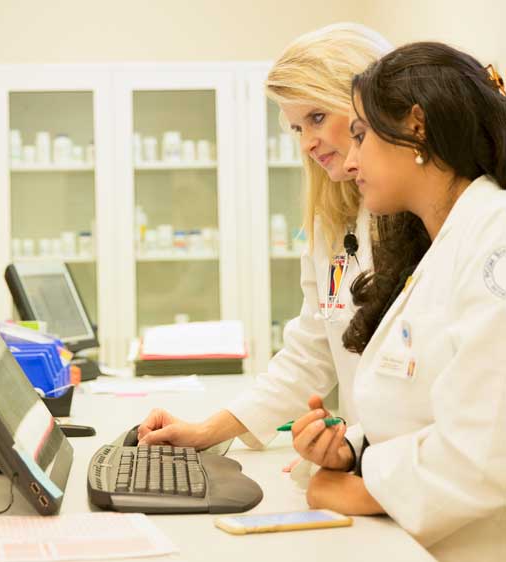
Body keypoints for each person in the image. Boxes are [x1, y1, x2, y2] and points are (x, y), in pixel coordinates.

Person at [291, 41, 506, 562]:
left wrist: (359, 489)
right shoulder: (443, 242)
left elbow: (489, 446)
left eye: (361, 135)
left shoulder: (494, 239)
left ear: (417, 127)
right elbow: (430, 403)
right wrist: (353, 449)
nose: (352, 158)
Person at [137, 23, 391, 451]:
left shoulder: (415, 220)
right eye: (297, 128)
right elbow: (311, 351)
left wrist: (354, 456)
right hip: (370, 463)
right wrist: (207, 431)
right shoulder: (331, 220)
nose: (308, 142)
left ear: (370, 104)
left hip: (400, 468)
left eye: (316, 117)